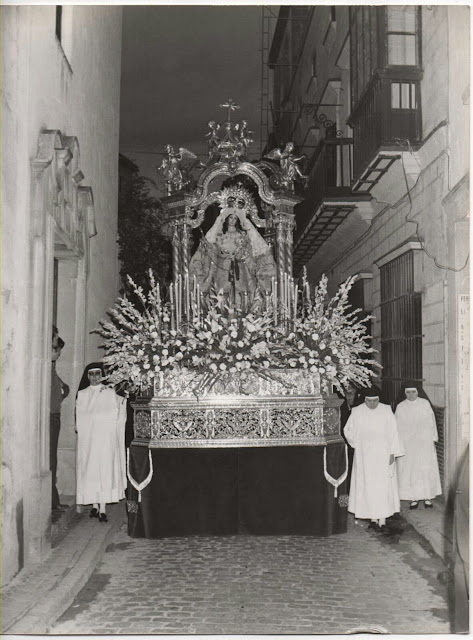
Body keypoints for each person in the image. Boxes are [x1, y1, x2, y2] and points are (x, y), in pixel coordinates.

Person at [189, 201, 276, 309]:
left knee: (242, 291)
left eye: (235, 218)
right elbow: (216, 251)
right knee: (222, 291)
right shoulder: (221, 236)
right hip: (223, 267)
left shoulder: (242, 235)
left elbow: (248, 250)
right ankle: (222, 311)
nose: (233, 220)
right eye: (231, 217)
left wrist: (242, 253)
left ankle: (242, 310)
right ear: (226, 219)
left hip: (239, 267)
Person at [344, 385, 404, 531]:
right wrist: (356, 444)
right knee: (368, 485)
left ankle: (382, 519)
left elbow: (394, 433)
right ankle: (372, 518)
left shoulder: (386, 411)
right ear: (364, 400)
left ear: (379, 399)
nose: (372, 404)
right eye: (369, 401)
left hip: (383, 455)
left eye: (375, 401)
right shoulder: (357, 411)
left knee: (382, 486)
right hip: (364, 456)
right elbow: (347, 430)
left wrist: (392, 453)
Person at [75, 362, 127, 522]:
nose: (95, 377)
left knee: (104, 470)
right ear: (87, 376)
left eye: (98, 373)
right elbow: (80, 418)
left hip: (105, 440)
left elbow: (117, 411)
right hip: (89, 441)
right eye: (91, 374)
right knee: (90, 471)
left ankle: (102, 507)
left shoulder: (109, 392)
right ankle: (94, 505)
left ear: (102, 375)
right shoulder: (82, 394)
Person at [394, 381, 442, 510]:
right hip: (408, 444)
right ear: (405, 393)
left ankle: (427, 497)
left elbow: (432, 422)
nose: (411, 395)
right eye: (408, 393)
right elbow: (396, 427)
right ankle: (413, 498)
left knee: (425, 469)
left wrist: (433, 438)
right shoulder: (400, 407)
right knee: (411, 471)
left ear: (417, 392)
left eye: (413, 392)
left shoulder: (425, 404)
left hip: (424, 443)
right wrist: (398, 443)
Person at [50, 327, 70, 512]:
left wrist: (63, 392)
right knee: (50, 459)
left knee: (52, 459)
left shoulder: (51, 368)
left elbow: (63, 388)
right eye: (56, 346)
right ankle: (51, 501)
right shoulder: (46, 367)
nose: (59, 352)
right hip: (50, 417)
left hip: (55, 416)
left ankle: (53, 500)